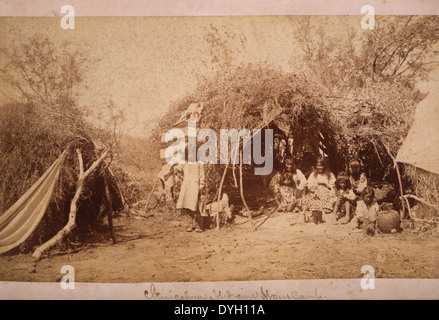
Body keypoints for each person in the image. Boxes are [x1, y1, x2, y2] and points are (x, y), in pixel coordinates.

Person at [175, 161, 205, 232]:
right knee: (188, 205)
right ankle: (190, 225)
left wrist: (201, 185)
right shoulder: (185, 163)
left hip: (195, 186)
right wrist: (181, 177)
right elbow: (177, 168)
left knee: (196, 206)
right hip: (187, 186)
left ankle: (198, 225)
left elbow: (202, 175)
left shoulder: (199, 164)